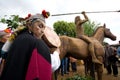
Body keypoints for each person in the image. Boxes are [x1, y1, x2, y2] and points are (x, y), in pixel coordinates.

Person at [0, 10, 60, 80]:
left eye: (44, 28)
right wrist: (56, 53)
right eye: (40, 26)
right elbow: (50, 64)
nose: (43, 31)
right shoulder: (35, 42)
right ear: (29, 25)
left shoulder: (18, 38)